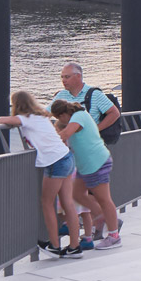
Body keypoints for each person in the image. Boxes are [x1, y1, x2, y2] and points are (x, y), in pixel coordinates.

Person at [0, 90, 84, 256]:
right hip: (66, 156)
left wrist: (6, 118)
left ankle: (54, 245)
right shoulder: (42, 116)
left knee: (47, 203)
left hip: (55, 162)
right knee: (68, 204)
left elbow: (0, 120)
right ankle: (74, 246)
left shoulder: (26, 118)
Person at [49, 97, 119, 248]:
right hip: (86, 167)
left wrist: (45, 141)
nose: (60, 121)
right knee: (77, 194)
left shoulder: (79, 116)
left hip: (97, 163)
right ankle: (102, 217)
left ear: (62, 115)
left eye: (59, 118)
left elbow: (65, 134)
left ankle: (114, 236)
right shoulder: (76, 117)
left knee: (104, 199)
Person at [59, 62, 122, 145]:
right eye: (62, 77)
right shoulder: (61, 95)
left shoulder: (95, 94)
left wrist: (94, 129)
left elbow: (114, 113)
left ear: (78, 76)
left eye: (67, 77)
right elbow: (46, 114)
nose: (63, 80)